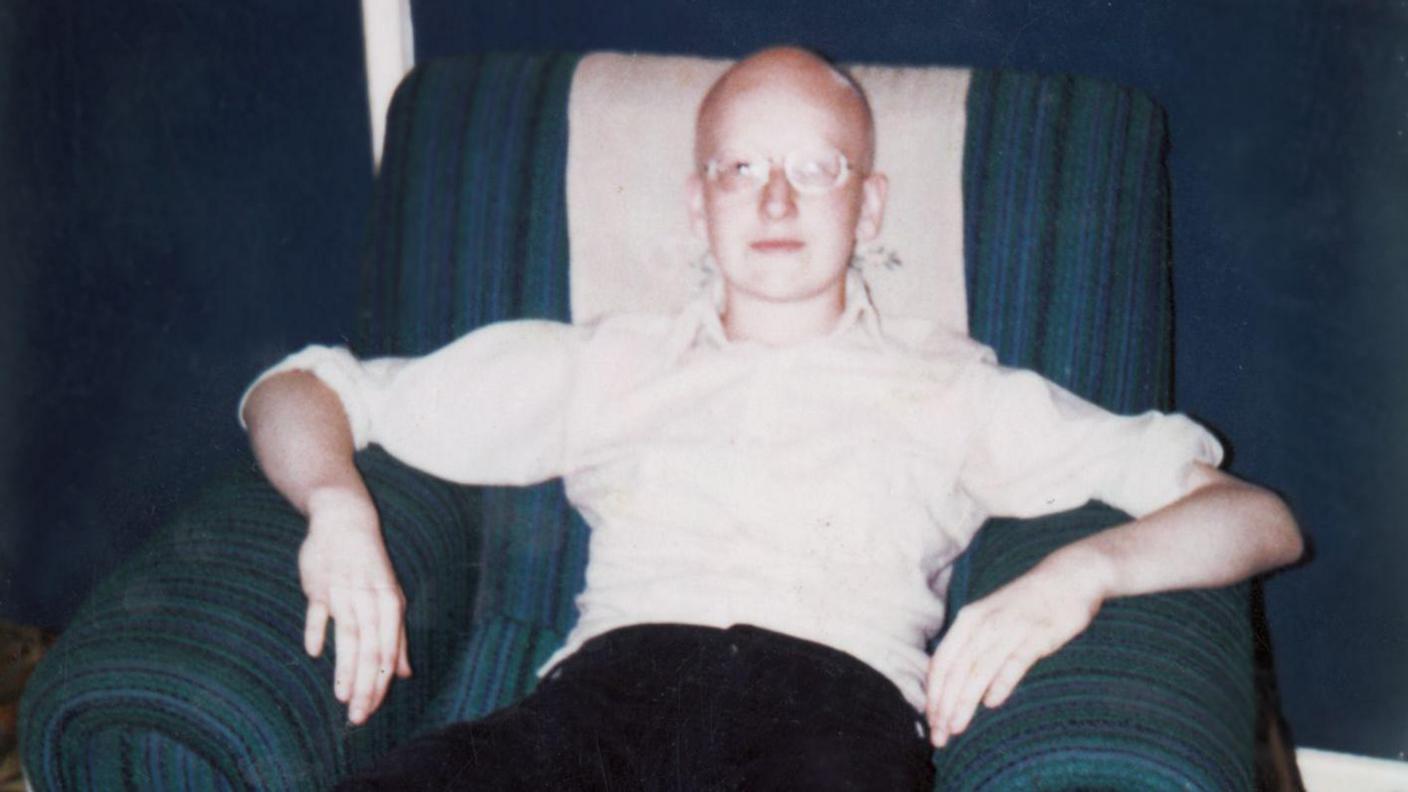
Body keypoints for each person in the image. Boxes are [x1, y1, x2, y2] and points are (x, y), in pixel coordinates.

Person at [240, 47, 1302, 790]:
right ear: (697, 206)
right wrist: (337, 507)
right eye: (741, 170)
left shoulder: (958, 390)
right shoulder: (605, 358)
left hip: (830, 719)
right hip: (602, 707)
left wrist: (1084, 574)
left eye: (816, 170)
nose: (777, 204)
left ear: (869, 205)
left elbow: (1257, 519)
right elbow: (298, 390)